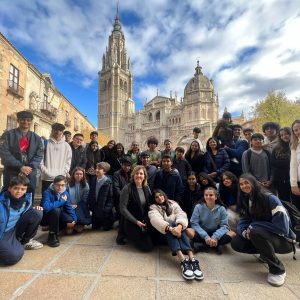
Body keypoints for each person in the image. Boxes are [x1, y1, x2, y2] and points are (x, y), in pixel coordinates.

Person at [231, 173, 296, 287]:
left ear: (253, 182)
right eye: (241, 184)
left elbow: (282, 228)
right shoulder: (247, 198)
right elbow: (243, 221)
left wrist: (254, 226)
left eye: (246, 182)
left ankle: (278, 270)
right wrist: (244, 232)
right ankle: (265, 252)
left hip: (284, 241)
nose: (243, 186)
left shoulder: (270, 199)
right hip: (263, 235)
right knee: (237, 242)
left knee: (256, 231)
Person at [149, 189, 204, 280]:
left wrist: (179, 227)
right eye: (156, 197)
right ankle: (183, 261)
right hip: (163, 234)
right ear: (154, 199)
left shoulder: (172, 203)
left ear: (164, 195)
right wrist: (171, 229)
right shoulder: (153, 208)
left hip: (177, 232)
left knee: (179, 224)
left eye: (161, 195)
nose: (159, 198)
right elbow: (156, 220)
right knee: (170, 225)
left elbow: (181, 214)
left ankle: (192, 259)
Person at [0, 176, 43, 265]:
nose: (19, 191)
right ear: (9, 188)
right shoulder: (2, 202)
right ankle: (12, 246)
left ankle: (24, 242)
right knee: (13, 256)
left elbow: (27, 214)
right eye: (16, 188)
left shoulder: (25, 200)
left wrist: (34, 209)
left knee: (37, 212)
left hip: (15, 229)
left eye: (23, 189)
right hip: (3, 232)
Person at [0, 111, 44, 198]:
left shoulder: (37, 138)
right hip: (12, 171)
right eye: (23, 120)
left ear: (31, 121)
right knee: (9, 193)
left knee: (29, 194)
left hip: (30, 172)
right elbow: (4, 153)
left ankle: (27, 211)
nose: (26, 122)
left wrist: (28, 168)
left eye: (28, 120)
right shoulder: (8, 135)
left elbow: (39, 154)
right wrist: (21, 167)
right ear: (18, 120)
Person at [189, 187, 235, 254]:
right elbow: (194, 223)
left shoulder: (222, 209)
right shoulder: (198, 207)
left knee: (232, 234)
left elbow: (225, 226)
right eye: (206, 195)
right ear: (204, 196)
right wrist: (206, 236)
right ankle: (214, 245)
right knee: (188, 231)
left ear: (216, 197)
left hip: (215, 233)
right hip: (202, 233)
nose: (208, 197)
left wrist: (215, 237)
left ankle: (205, 245)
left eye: (211, 195)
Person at [119, 165, 154, 252]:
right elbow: (122, 209)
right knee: (147, 247)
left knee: (155, 240)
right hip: (132, 220)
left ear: (144, 176)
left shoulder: (146, 187)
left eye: (141, 174)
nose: (139, 175)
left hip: (144, 218)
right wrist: (136, 222)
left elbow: (150, 203)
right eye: (136, 173)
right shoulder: (127, 188)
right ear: (133, 175)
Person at [41, 175, 77, 247]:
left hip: (58, 215)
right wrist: (61, 201)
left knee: (70, 219)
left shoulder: (65, 193)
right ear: (53, 184)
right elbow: (46, 207)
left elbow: (68, 207)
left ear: (65, 185)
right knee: (56, 210)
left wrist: (75, 219)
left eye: (62, 185)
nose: (60, 187)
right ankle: (52, 234)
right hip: (46, 217)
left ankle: (55, 228)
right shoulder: (47, 192)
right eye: (58, 185)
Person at [40, 123, 72, 193]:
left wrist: (63, 172)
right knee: (46, 200)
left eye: (60, 130)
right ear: (52, 130)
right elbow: (40, 159)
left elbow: (68, 161)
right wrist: (46, 171)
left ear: (62, 132)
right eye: (56, 130)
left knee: (60, 200)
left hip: (60, 179)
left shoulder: (67, 146)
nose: (58, 132)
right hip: (47, 178)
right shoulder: (45, 143)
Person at [88, 162, 114, 230]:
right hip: (96, 211)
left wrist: (106, 209)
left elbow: (111, 198)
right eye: (96, 168)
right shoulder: (93, 180)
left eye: (99, 169)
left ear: (104, 171)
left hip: (105, 212)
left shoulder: (108, 182)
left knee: (106, 228)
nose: (96, 170)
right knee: (95, 228)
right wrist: (91, 206)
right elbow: (91, 194)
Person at [67, 167, 91, 232]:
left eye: (81, 174)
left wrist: (77, 205)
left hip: (80, 205)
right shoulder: (68, 184)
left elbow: (85, 199)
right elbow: (65, 196)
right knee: (69, 232)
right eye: (77, 174)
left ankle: (79, 223)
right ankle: (70, 224)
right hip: (69, 204)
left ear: (83, 175)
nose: (79, 176)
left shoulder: (86, 185)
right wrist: (70, 204)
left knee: (79, 230)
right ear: (73, 175)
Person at [270, 127, 291, 201]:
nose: (284, 136)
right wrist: (288, 162)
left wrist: (282, 163)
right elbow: (273, 162)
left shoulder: (295, 146)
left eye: (286, 134)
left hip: (294, 178)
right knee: (285, 200)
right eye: (281, 135)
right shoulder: (277, 148)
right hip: (281, 179)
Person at [290, 120, 300, 212]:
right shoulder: (295, 146)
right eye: (295, 130)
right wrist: (293, 185)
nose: (298, 132)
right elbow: (293, 166)